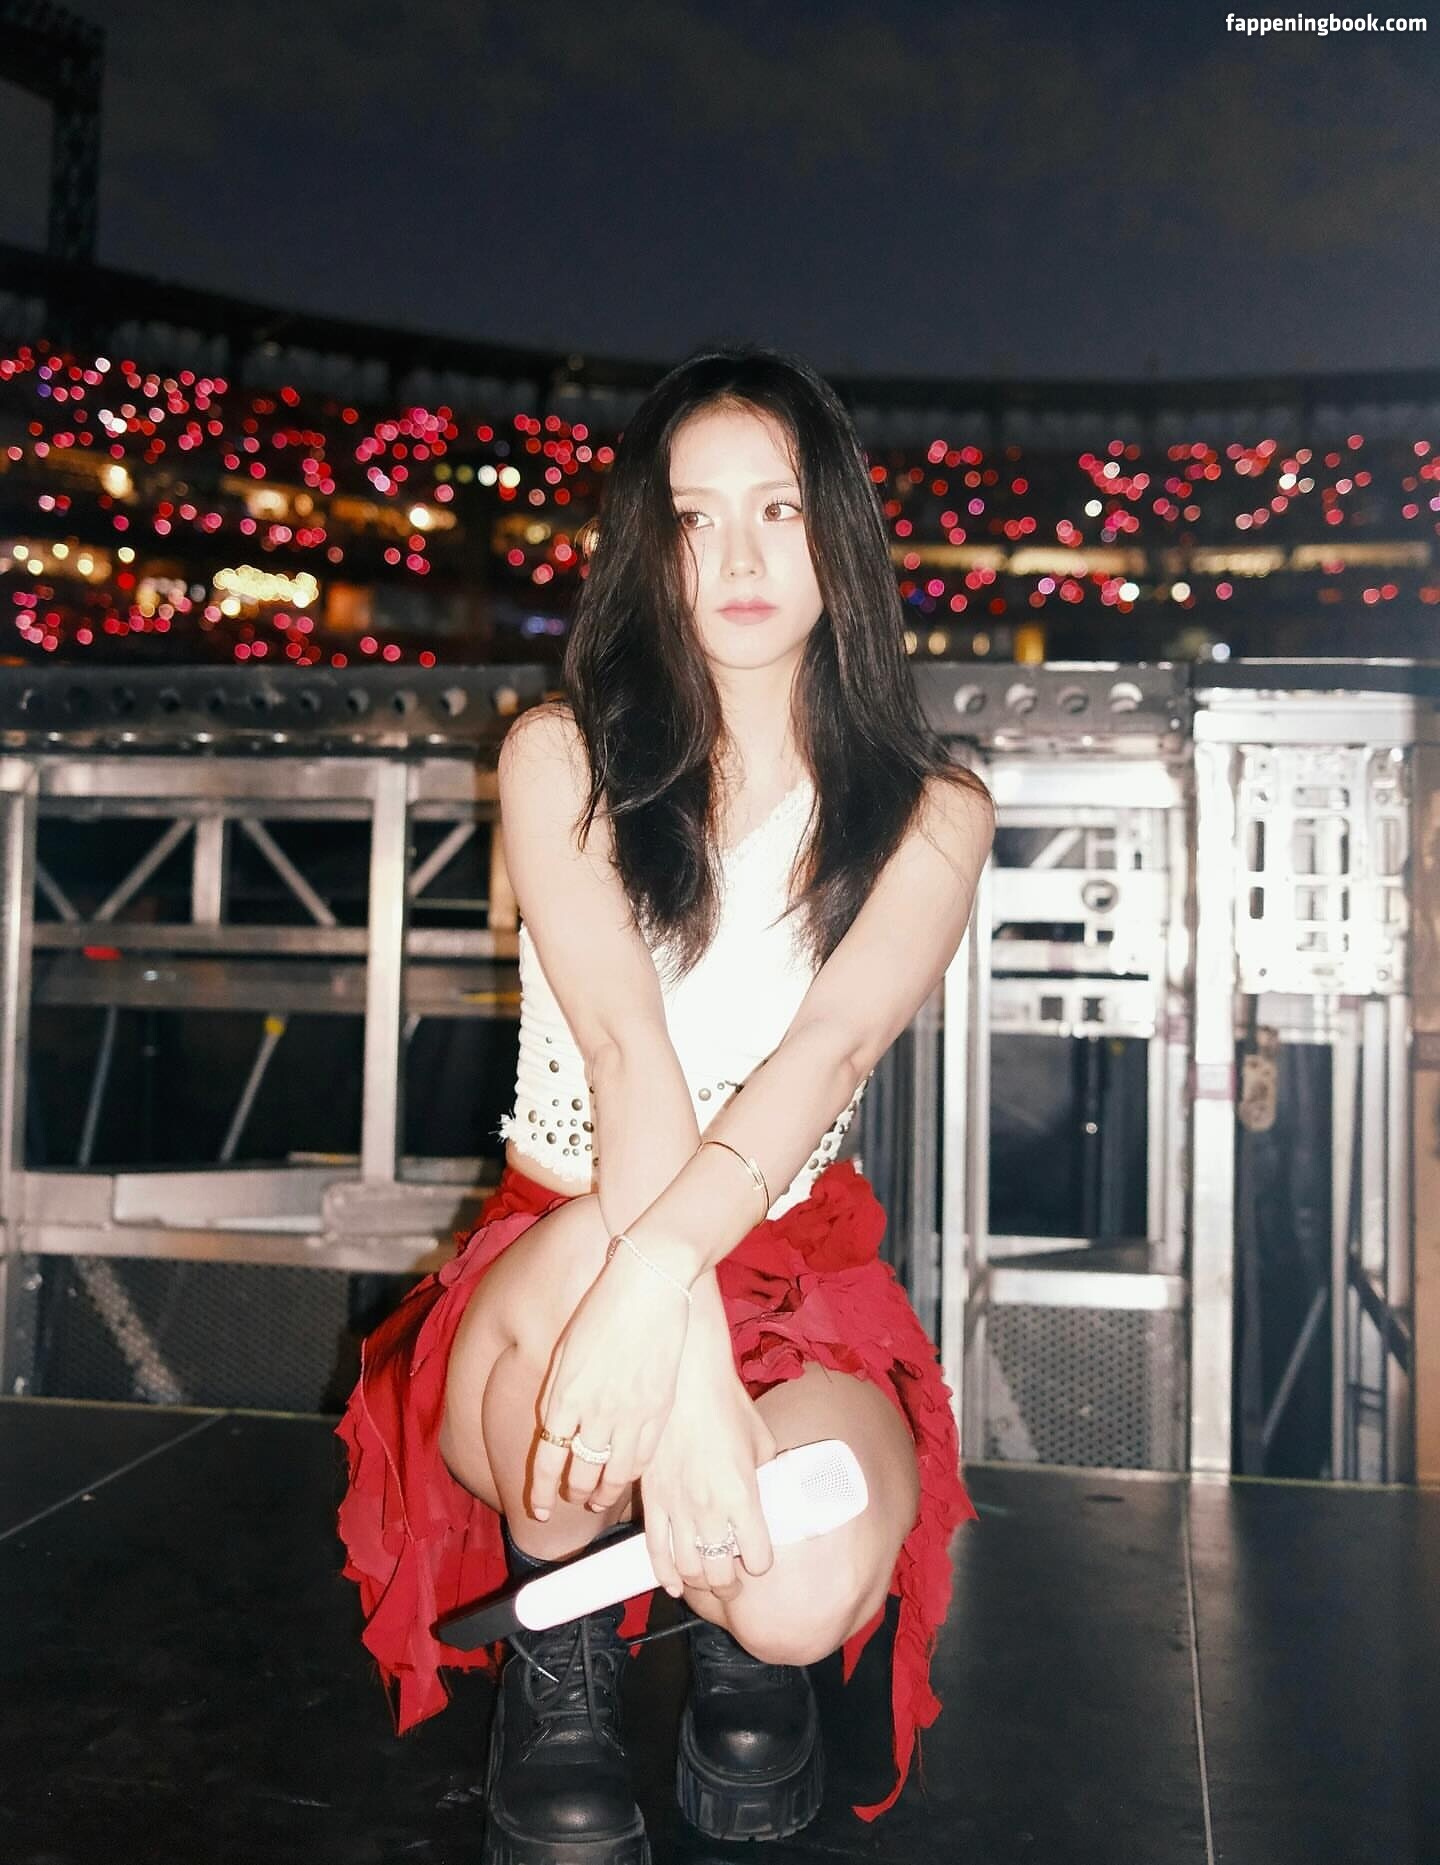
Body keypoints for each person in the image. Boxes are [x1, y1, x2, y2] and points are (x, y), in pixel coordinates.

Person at [335, 344, 996, 1862]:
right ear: (653, 547)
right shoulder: (560, 755)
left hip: (792, 1262)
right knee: (592, 1356)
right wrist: (689, 1378)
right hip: (563, 1248)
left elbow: (824, 1054)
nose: (740, 558)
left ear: (840, 532)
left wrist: (683, 1313)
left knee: (802, 1593)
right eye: (696, 521)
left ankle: (734, 1626)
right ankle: (560, 1655)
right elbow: (628, 1055)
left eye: (778, 509)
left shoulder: (933, 809)